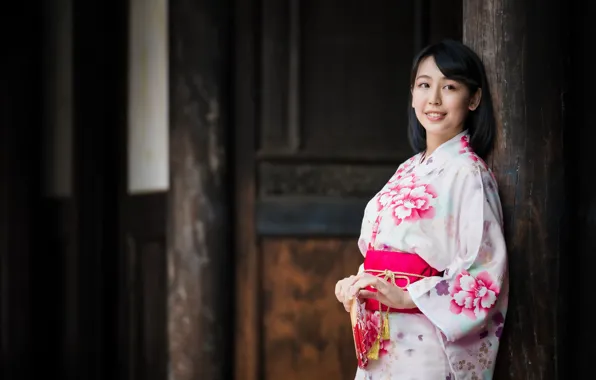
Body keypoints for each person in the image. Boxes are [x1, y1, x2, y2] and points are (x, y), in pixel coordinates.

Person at [334, 39, 508, 379]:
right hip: (382, 340)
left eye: (451, 87)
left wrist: (407, 296)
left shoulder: (469, 174)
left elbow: (483, 275)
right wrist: (357, 284)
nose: (435, 99)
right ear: (413, 93)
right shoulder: (407, 170)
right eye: (425, 85)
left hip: (424, 342)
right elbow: (382, 253)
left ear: (473, 99)